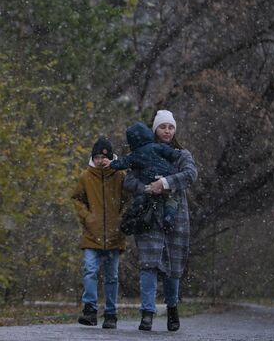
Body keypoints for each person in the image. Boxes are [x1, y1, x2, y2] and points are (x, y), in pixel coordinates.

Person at [122, 110, 198, 332]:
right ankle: (147, 313)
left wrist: (165, 182)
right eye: (163, 127)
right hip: (148, 214)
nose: (167, 130)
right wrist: (147, 187)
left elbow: (191, 174)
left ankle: (172, 308)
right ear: (155, 129)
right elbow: (129, 180)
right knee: (149, 263)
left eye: (170, 127)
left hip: (177, 217)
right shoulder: (143, 153)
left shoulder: (182, 154)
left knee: (173, 266)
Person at [71, 136, 127, 329]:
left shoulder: (120, 175)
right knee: (90, 270)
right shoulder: (86, 177)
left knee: (112, 276)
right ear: (92, 158)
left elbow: (129, 200)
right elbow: (77, 198)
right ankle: (90, 309)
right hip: (91, 234)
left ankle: (111, 313)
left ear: (111, 157)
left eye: (105, 157)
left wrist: (122, 219)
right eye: (97, 157)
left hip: (114, 234)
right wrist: (87, 217)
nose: (101, 160)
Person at [108, 121, 182, 233]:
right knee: (172, 198)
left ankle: (133, 213)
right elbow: (171, 153)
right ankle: (169, 216)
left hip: (149, 177)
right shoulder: (158, 146)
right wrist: (176, 154)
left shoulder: (135, 154)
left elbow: (123, 163)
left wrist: (111, 163)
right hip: (167, 175)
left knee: (142, 196)